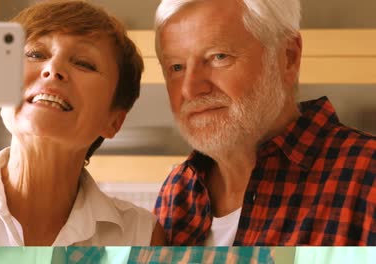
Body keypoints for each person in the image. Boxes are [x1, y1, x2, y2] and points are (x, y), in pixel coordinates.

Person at [0, 0, 165, 247]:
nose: (53, 68)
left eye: (83, 63)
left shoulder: (141, 237)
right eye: (35, 53)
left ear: (114, 121)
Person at [153, 0, 375, 246]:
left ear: (288, 57)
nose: (191, 88)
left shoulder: (368, 175)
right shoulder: (178, 190)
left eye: (219, 57)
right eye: (176, 67)